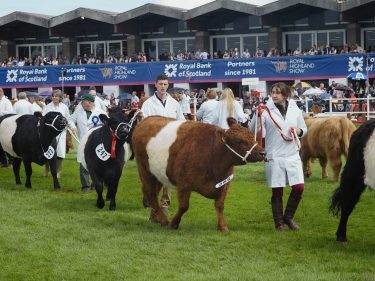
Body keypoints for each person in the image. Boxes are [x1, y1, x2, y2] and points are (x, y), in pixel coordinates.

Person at [249, 82, 307, 231]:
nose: (274, 95)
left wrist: (299, 131)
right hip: (274, 154)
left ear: (285, 95)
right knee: (277, 189)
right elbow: (253, 130)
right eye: (272, 92)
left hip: (292, 153)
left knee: (299, 187)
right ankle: (279, 223)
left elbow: (304, 129)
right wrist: (256, 115)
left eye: (278, 92)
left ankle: (288, 217)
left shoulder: (295, 109)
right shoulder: (266, 110)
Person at [141, 73, 185, 213]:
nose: (163, 87)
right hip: (154, 142)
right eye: (160, 84)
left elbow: (182, 122)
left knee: (169, 173)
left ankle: (165, 202)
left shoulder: (174, 103)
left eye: (165, 84)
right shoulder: (148, 104)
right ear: (155, 85)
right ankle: (149, 195)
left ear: (168, 85)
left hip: (171, 143)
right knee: (152, 173)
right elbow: (144, 123)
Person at [70, 93, 107, 192]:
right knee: (83, 163)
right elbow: (70, 119)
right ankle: (85, 186)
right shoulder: (78, 111)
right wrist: (73, 126)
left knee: (97, 164)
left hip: (97, 143)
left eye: (83, 101)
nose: (81, 103)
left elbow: (108, 125)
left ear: (89, 102)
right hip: (83, 142)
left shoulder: (100, 112)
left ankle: (96, 184)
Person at [43, 89, 75, 178]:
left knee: (60, 152)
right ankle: (46, 169)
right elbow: (43, 118)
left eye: (56, 96)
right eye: (53, 96)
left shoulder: (64, 107)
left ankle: (58, 171)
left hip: (61, 133)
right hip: (49, 133)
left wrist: (73, 127)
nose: (54, 97)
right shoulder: (47, 107)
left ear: (60, 97)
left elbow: (68, 119)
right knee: (48, 151)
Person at [0, 88, 14, 167]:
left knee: (5, 144)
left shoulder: (6, 101)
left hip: (5, 124)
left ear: (2, 92)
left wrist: (0, 112)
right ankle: (3, 161)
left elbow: (10, 112)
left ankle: (11, 161)